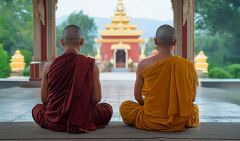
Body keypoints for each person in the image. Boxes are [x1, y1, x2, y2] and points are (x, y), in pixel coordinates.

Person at [32, 25, 112, 133]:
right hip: (82, 118)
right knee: (107, 109)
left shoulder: (48, 66)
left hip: (54, 119)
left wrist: (61, 108)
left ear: (62, 41)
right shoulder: (92, 66)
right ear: (82, 41)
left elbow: (44, 100)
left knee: (37, 109)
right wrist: (81, 108)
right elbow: (97, 98)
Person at [120, 24, 199, 132]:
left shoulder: (143, 65)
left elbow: (138, 97)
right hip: (179, 121)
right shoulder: (187, 66)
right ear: (175, 42)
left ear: (155, 41)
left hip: (151, 120)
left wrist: (150, 107)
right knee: (194, 109)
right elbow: (192, 98)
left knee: (125, 107)